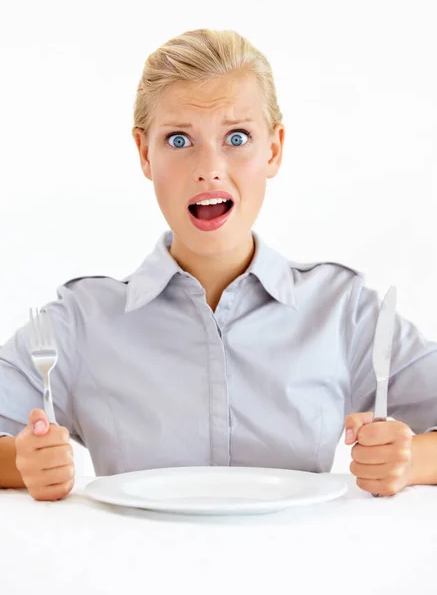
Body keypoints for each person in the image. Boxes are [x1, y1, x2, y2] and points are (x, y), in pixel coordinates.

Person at [1, 28, 437, 502]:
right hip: (125, 569)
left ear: (273, 149)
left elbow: (412, 453)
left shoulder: (341, 310)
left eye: (236, 137)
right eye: (179, 140)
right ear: (144, 153)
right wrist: (20, 463)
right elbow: (17, 454)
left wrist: (410, 460)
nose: (209, 167)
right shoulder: (82, 321)